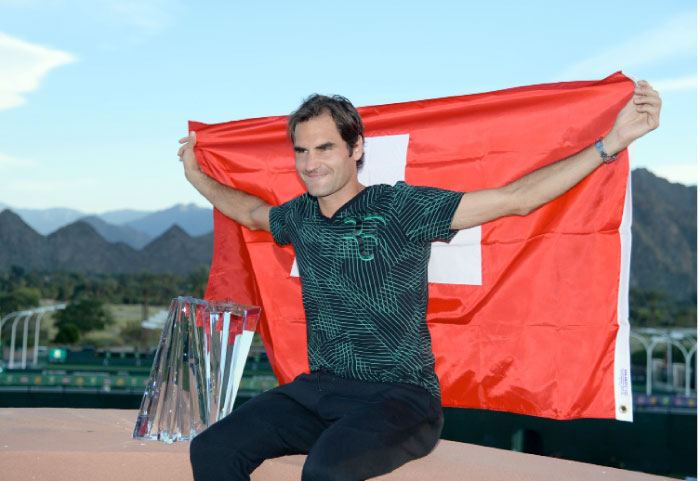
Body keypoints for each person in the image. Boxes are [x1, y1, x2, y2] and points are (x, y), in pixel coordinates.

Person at [180, 81, 661, 481]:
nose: (311, 163)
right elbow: (248, 211)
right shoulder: (300, 216)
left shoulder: (401, 207)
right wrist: (197, 176)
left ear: (356, 148)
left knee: (325, 471)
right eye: (302, 150)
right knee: (212, 450)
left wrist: (608, 145)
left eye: (325, 147)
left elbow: (516, 198)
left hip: (402, 398)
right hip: (321, 389)